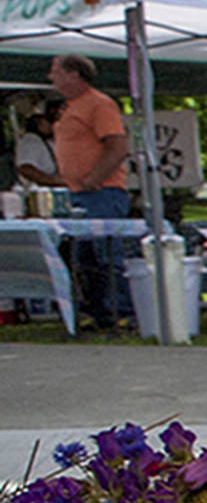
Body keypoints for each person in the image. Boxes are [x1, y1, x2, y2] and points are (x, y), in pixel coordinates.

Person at [47, 54, 132, 327]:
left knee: (105, 253)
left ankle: (120, 311)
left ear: (74, 75)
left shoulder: (99, 104)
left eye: (56, 72)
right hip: (78, 193)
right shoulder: (70, 107)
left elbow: (116, 146)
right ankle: (97, 311)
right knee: (84, 255)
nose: (51, 77)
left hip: (102, 192)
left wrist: (94, 179)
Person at [11, 99, 61, 189]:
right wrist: (54, 180)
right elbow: (26, 169)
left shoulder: (50, 141)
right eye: (52, 120)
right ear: (38, 121)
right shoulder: (30, 140)